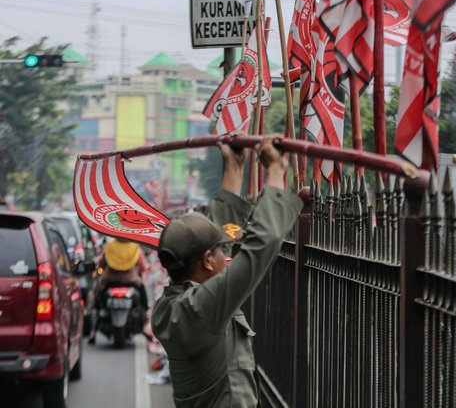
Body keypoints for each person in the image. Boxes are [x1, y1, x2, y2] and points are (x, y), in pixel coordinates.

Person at [151, 136, 304, 407]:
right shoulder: (200, 308)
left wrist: (234, 167)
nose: (229, 255)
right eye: (224, 251)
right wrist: (276, 172)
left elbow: (221, 232)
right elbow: (262, 245)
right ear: (208, 261)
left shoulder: (174, 305)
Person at [88, 237, 148, 344]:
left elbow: (101, 263)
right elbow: (143, 267)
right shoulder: (135, 248)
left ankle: (93, 332)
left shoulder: (109, 246)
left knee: (98, 303)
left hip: (109, 280)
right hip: (132, 280)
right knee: (143, 298)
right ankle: (146, 323)